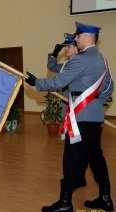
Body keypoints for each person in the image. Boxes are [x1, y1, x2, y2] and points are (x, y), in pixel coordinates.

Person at [26, 21, 114, 212]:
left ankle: (65, 203)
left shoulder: (81, 60)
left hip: (80, 116)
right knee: (95, 157)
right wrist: (96, 102)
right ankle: (106, 198)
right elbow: (109, 87)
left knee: (71, 158)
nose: (75, 39)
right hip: (93, 115)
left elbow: (59, 81)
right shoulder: (102, 59)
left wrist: (35, 82)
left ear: (87, 37)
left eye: (77, 36)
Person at [47, 33, 88, 189]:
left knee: (80, 148)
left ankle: (75, 178)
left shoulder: (82, 64)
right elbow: (51, 67)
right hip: (69, 110)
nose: (66, 50)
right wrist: (54, 53)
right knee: (76, 147)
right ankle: (76, 178)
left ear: (77, 48)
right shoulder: (66, 65)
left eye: (68, 47)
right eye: (64, 47)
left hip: (80, 110)